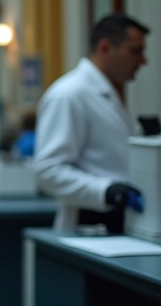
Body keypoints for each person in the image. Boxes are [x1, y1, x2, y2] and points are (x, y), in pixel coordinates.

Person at [33, 14, 148, 233]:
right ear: (105, 48)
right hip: (89, 224)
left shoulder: (109, 92)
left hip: (116, 221)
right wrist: (106, 191)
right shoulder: (68, 94)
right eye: (135, 51)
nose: (144, 61)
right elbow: (48, 171)